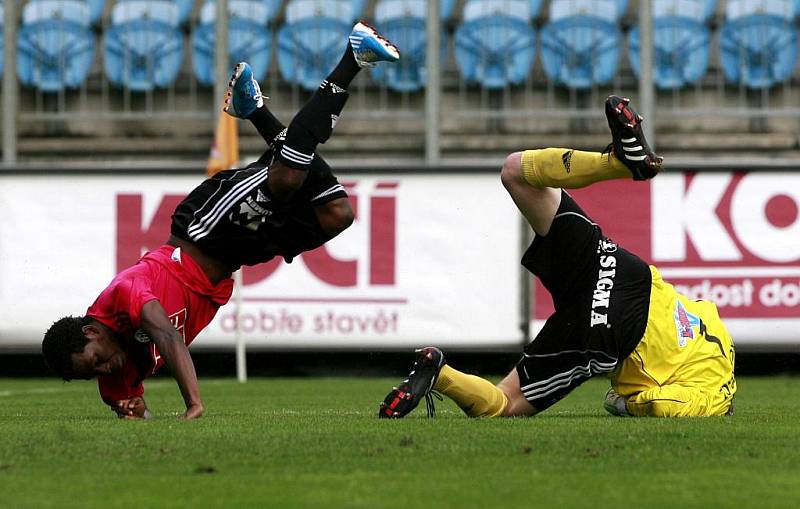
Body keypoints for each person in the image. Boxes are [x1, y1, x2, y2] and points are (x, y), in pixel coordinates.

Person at [41, 22, 400, 420]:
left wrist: (193, 403)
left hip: (206, 229)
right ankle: (256, 112)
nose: (103, 370)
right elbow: (135, 410)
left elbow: (167, 336)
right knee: (337, 215)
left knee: (285, 177)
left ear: (92, 333)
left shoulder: (124, 293)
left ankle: (352, 58)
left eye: (96, 362)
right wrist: (133, 412)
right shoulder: (115, 379)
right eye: (93, 375)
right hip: (237, 255)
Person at [379, 96, 736, 419]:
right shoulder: (713, 399)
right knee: (507, 404)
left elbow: (700, 306)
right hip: (611, 330)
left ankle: (615, 162)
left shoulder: (718, 338)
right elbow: (661, 404)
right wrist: (621, 402)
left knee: (517, 172)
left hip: (623, 272)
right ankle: (441, 374)